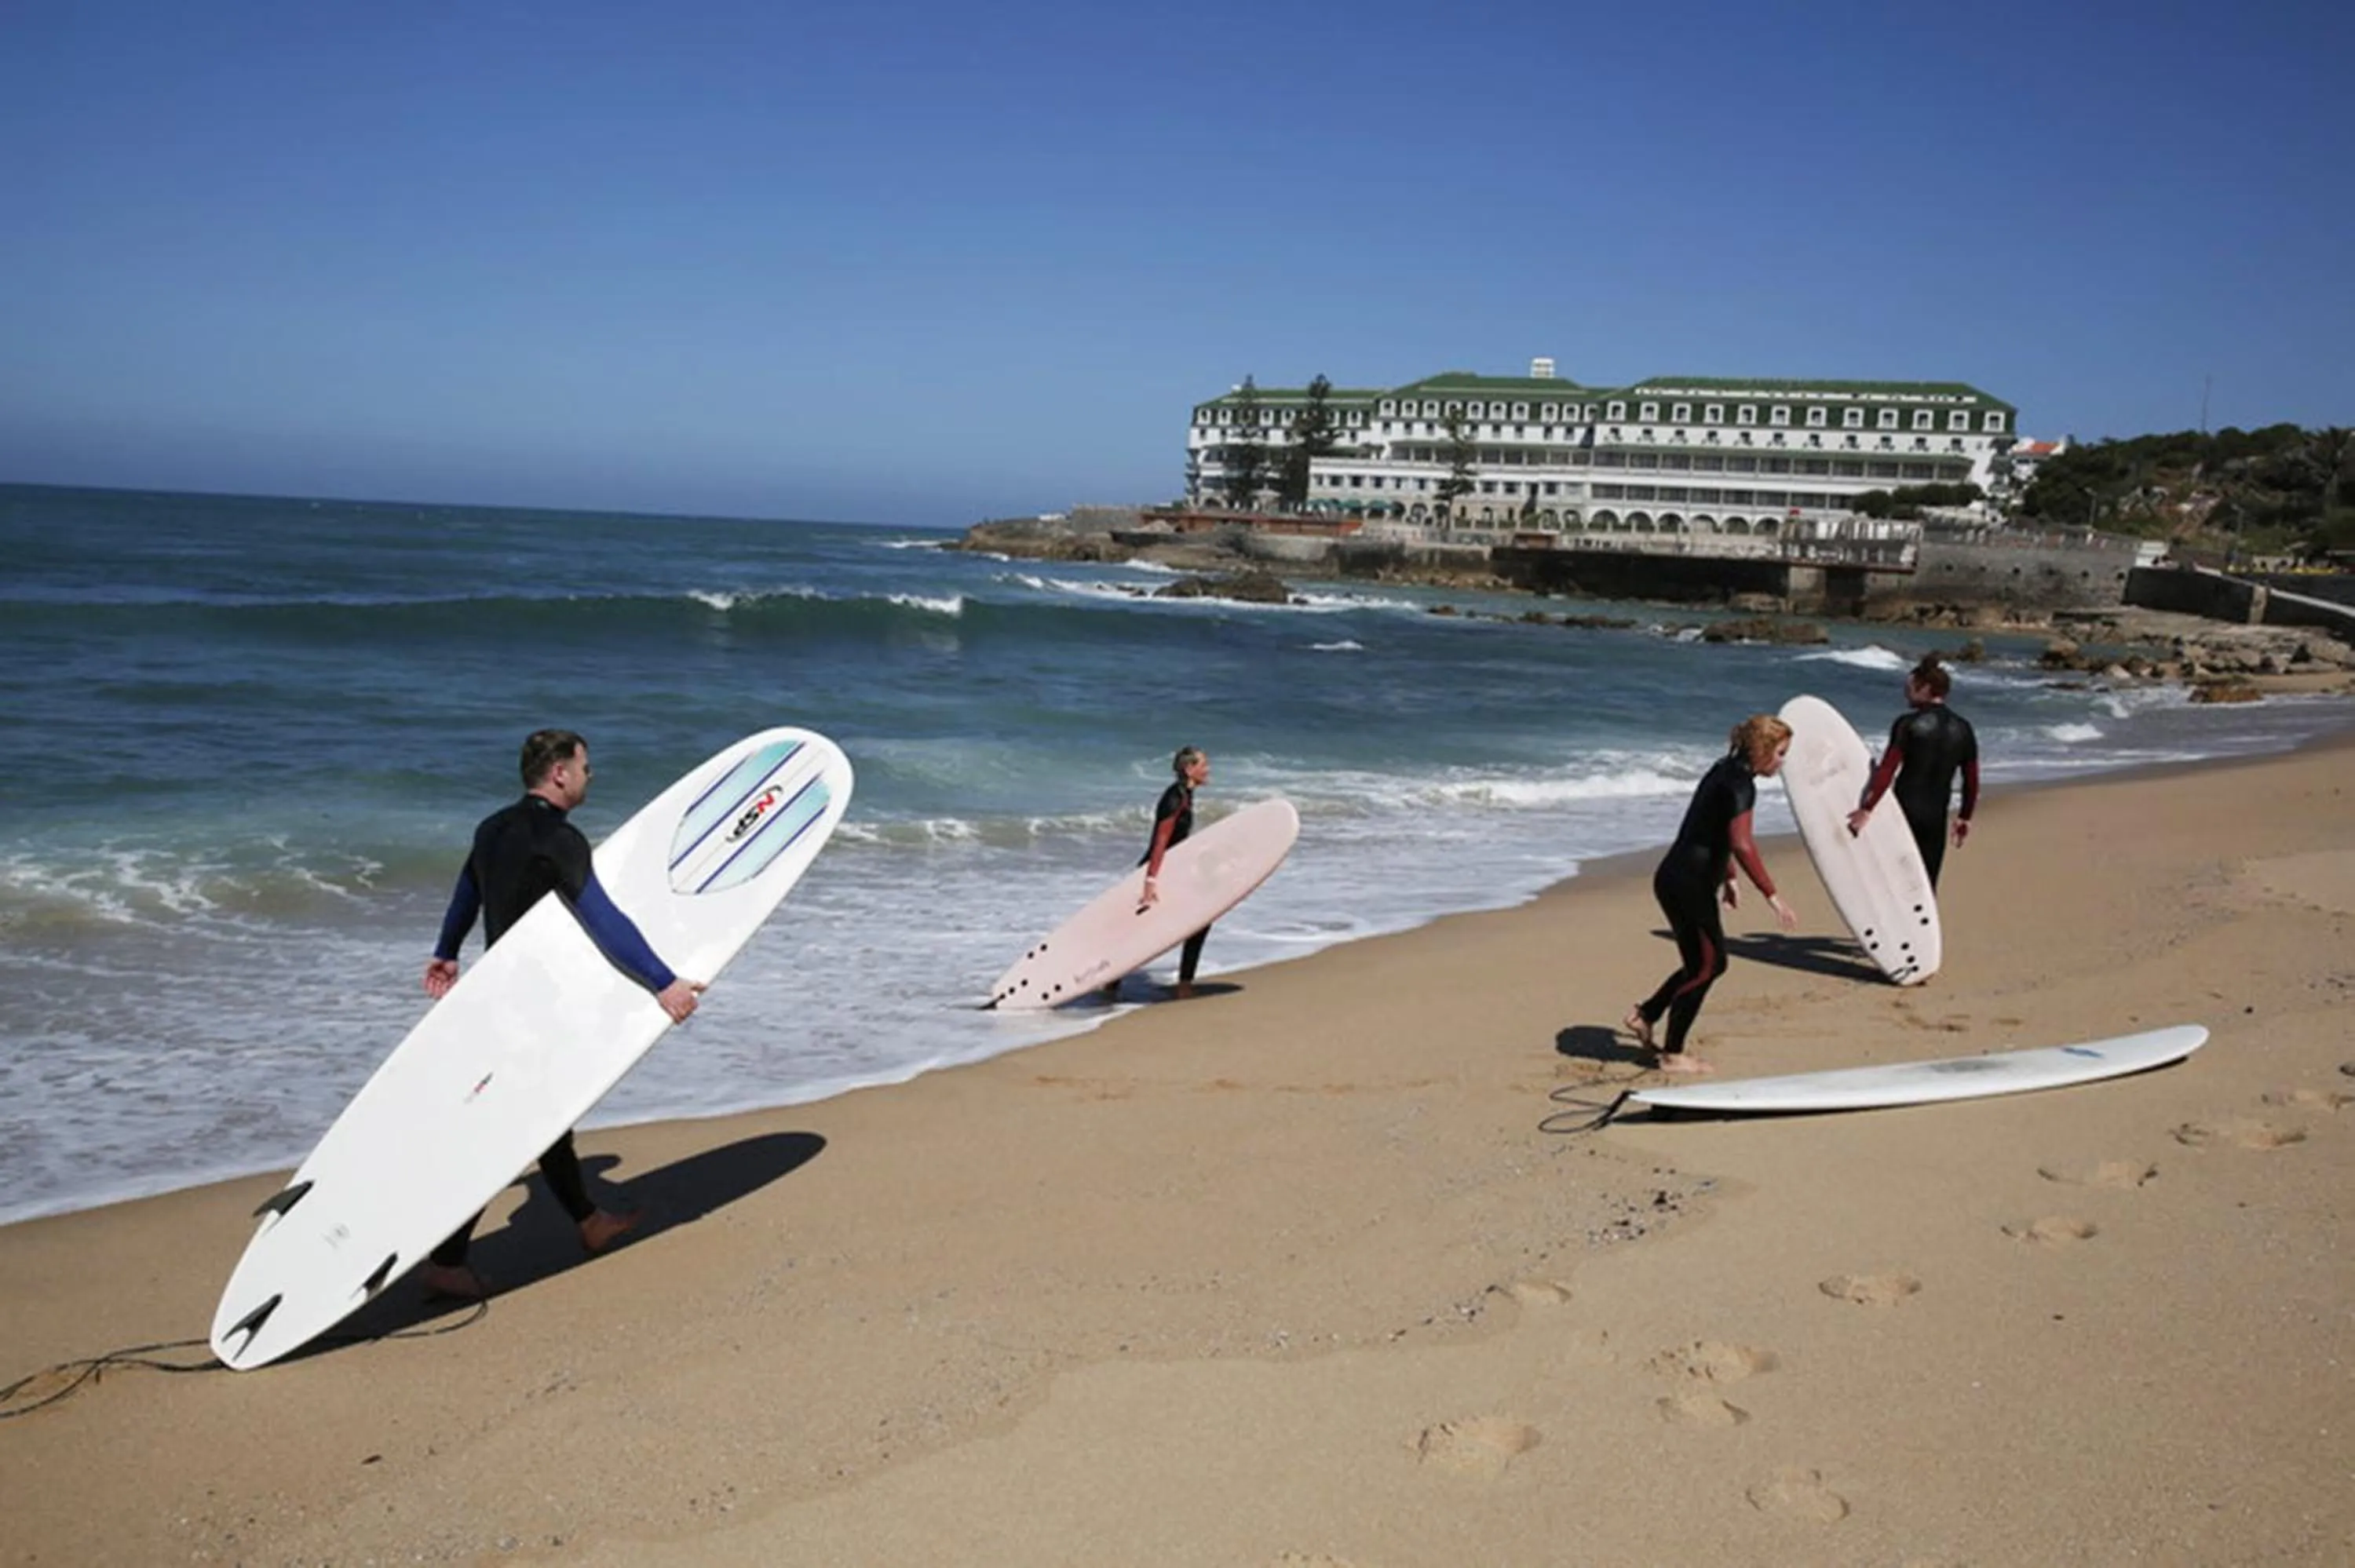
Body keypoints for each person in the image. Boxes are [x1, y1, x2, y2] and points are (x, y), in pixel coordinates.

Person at [415, 729, 704, 1300]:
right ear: (559, 774)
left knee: (544, 1116)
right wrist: (663, 982)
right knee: (518, 1125)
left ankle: (589, 1221)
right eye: (585, 767)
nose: (590, 777)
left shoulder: (491, 828)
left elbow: (467, 892)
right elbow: (603, 918)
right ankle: (448, 1260)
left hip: (495, 999)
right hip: (534, 1004)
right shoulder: (559, 839)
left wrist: (447, 950)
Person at [1625, 716, 1799, 1076]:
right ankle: (1673, 1054)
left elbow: (1711, 830)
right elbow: (1741, 843)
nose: (1783, 762)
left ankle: (1646, 1015)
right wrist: (1772, 894)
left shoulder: (1723, 770)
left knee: (1700, 964)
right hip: (1688, 885)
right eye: (1781, 753)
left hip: (1678, 878)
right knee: (1710, 966)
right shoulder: (1742, 786)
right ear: (1762, 750)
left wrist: (1729, 877)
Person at [1845, 654, 1980, 888]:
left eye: (1910, 687)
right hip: (1935, 818)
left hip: (1903, 813)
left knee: (1892, 879)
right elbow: (1972, 779)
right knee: (1926, 885)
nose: (1906, 693)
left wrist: (1867, 808)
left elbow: (1888, 769)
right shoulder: (1964, 729)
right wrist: (1964, 817)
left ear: (1925, 688)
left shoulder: (1907, 724)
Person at [1121, 746, 1213, 1001]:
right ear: (1189, 769)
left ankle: (1113, 982)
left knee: (1196, 922)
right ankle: (1183, 986)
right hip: (1157, 872)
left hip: (1168, 871)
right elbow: (1160, 841)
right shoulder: (1175, 798)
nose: (1208, 769)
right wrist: (1151, 881)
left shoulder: (1186, 795)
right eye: (1203, 765)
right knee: (1197, 922)